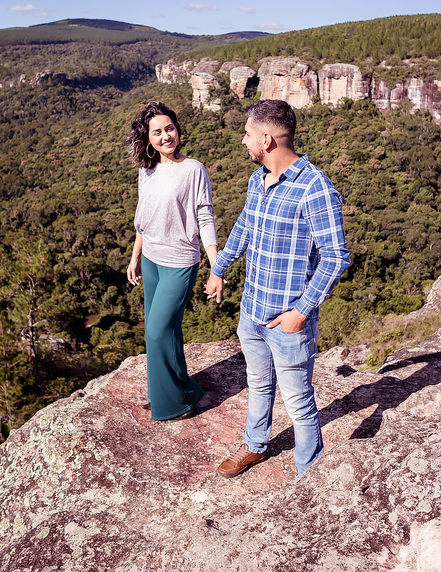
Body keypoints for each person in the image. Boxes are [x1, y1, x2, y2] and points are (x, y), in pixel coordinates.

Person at [205, 99, 349, 480]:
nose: (243, 141)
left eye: (248, 134)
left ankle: (309, 473)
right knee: (258, 384)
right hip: (252, 310)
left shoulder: (315, 188)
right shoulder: (259, 179)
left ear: (266, 139)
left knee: (299, 402)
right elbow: (245, 228)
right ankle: (256, 445)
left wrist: (300, 312)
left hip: (287, 320)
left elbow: (336, 257)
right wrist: (219, 268)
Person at [127, 101, 216, 421]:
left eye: (170, 128)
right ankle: (177, 390)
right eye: (157, 132)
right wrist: (135, 257)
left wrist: (215, 266)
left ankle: (174, 405)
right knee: (169, 331)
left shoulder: (193, 169)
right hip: (151, 258)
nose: (166, 136)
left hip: (180, 261)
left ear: (178, 130)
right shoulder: (146, 170)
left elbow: (204, 217)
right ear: (147, 138)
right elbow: (144, 218)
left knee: (156, 330)